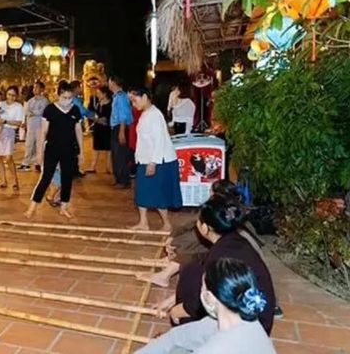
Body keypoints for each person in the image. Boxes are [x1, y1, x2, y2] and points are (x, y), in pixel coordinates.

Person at [155, 195, 276, 335]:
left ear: (205, 228)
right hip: (258, 318)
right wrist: (173, 300)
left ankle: (187, 335)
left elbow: (200, 303)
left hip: (247, 327)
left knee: (192, 285)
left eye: (199, 221)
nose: (197, 224)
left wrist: (177, 311)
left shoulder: (220, 256)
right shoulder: (234, 240)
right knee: (193, 270)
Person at [136, 258, 276, 354]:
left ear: (210, 297)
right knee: (174, 346)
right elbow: (177, 336)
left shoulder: (217, 349)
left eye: (201, 287)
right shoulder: (236, 319)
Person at [24, 81, 84, 220]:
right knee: (45, 178)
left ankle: (64, 207)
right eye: (65, 98)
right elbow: (43, 132)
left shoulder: (75, 110)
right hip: (52, 148)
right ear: (58, 96)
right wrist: (39, 153)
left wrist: (81, 152)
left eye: (70, 98)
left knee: (67, 179)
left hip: (69, 150)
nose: (67, 101)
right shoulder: (50, 110)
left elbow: (78, 131)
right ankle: (32, 207)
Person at [128, 87, 181, 231]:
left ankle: (166, 223)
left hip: (158, 161)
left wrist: (153, 162)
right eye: (131, 101)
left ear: (145, 97)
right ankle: (143, 222)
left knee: (158, 193)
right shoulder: (145, 114)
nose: (134, 104)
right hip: (144, 160)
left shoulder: (155, 114)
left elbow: (159, 140)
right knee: (142, 192)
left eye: (135, 100)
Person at [0, 86, 24, 190]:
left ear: (16, 96)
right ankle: (3, 181)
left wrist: (6, 121)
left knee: (8, 157)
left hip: (9, 131)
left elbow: (18, 123)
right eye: (9, 94)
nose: (11, 97)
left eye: (13, 95)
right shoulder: (1, 103)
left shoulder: (19, 107)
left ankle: (15, 181)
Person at [109, 76, 133, 189]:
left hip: (119, 127)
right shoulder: (117, 97)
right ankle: (120, 179)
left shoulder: (121, 97)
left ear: (113, 83)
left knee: (120, 155)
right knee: (116, 154)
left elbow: (123, 115)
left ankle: (123, 180)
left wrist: (122, 131)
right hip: (117, 127)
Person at [20, 81, 50, 172]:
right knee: (29, 144)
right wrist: (33, 113)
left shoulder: (45, 101)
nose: (35, 89)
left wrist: (33, 112)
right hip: (31, 125)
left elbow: (41, 112)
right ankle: (26, 163)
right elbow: (27, 112)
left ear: (42, 89)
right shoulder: (30, 100)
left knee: (39, 145)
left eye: (37, 87)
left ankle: (38, 163)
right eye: (34, 88)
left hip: (40, 125)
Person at [70, 80, 95, 177]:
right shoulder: (75, 100)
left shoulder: (74, 98)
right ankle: (74, 170)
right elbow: (82, 111)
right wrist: (93, 116)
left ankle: (74, 169)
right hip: (74, 125)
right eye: (79, 87)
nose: (81, 89)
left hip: (72, 125)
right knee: (75, 147)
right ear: (75, 88)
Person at [88, 86, 112, 174]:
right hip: (98, 127)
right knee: (96, 147)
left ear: (105, 94)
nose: (97, 95)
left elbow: (109, 116)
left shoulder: (110, 104)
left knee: (108, 148)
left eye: (99, 93)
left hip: (107, 128)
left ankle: (108, 167)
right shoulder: (97, 103)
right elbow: (92, 114)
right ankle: (92, 166)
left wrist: (103, 120)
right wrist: (96, 120)